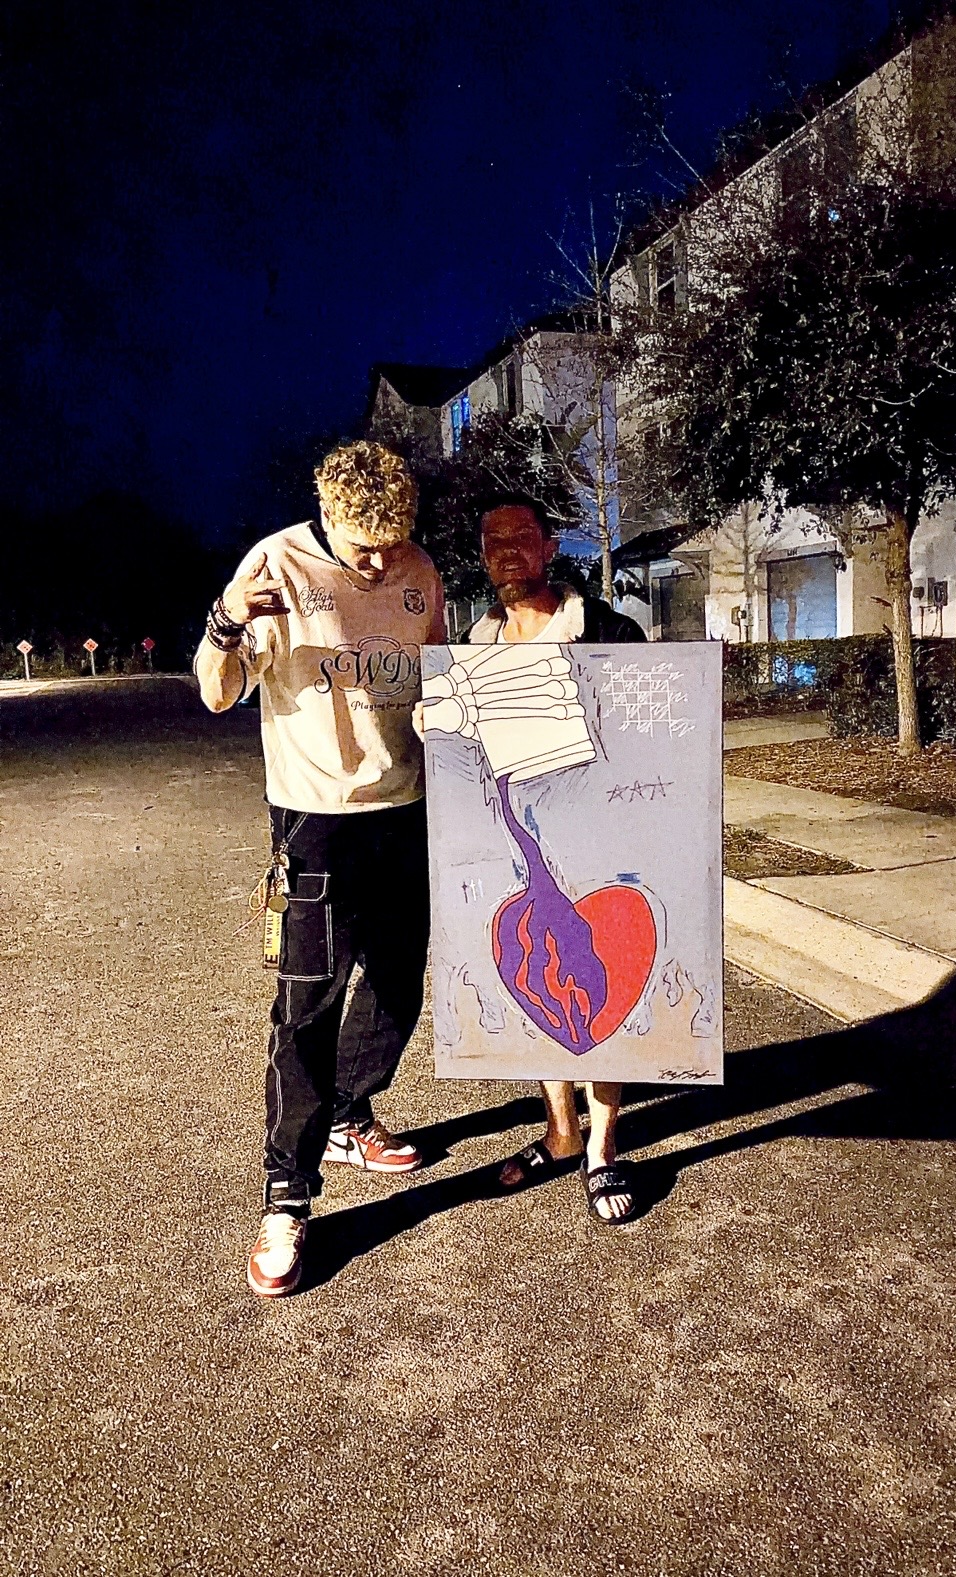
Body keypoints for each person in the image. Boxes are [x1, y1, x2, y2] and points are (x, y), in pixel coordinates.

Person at [196, 440, 445, 1297]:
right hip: (313, 819)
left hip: (404, 809)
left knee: (402, 982)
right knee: (307, 1000)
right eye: (362, 545)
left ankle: (350, 1111)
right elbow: (217, 690)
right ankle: (286, 1196)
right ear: (328, 516)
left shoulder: (420, 570)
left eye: (392, 543)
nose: (379, 562)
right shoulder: (278, 561)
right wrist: (226, 619)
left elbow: (443, 679)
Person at [444, 491, 646, 1223]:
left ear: (550, 545)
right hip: (509, 840)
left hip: (595, 838)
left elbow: (644, 741)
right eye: (492, 541)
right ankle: (562, 1132)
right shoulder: (472, 648)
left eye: (521, 538)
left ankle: (603, 1146)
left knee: (603, 976)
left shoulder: (610, 631)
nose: (506, 552)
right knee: (536, 976)